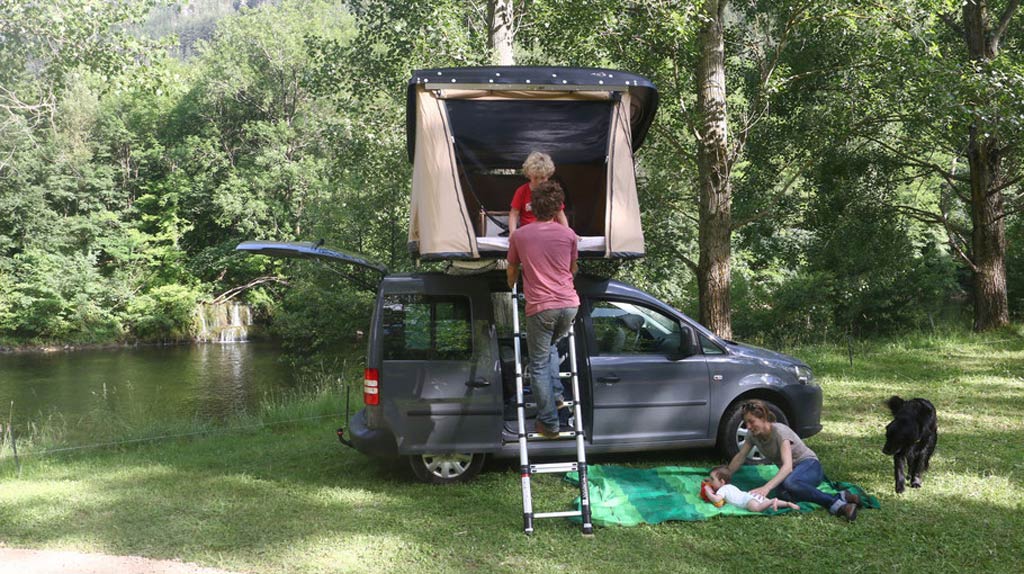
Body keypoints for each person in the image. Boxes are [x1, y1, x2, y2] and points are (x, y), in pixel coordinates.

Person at [507, 181, 578, 438]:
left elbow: (512, 268)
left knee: (537, 364)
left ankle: (548, 423)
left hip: (541, 307)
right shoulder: (569, 235)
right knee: (548, 349)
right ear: (558, 208)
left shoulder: (520, 236)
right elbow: (572, 269)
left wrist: (511, 284)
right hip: (570, 305)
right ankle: (557, 396)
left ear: (532, 207)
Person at [726, 399, 861, 521]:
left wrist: (766, 488)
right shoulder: (752, 436)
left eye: (751, 421)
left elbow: (787, 467)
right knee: (782, 494)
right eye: (746, 423)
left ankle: (839, 505)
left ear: (763, 418)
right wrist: (726, 475)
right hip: (793, 474)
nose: (748, 426)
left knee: (791, 483)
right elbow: (741, 456)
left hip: (810, 466)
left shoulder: (780, 432)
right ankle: (844, 495)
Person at [509, 151, 569, 233]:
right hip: (529, 232)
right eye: (536, 178)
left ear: (548, 175)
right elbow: (514, 214)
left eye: (543, 178)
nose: (539, 182)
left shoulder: (552, 191)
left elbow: (560, 214)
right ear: (529, 175)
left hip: (550, 231)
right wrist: (512, 234)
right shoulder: (521, 191)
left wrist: (568, 232)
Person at [701, 465, 801, 512]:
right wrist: (709, 482)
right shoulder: (730, 486)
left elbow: (716, 499)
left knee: (756, 508)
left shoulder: (722, 489)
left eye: (712, 479)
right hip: (750, 495)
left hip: (747, 501)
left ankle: (772, 501)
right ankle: (787, 504)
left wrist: (708, 491)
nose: (710, 482)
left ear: (722, 482)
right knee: (764, 502)